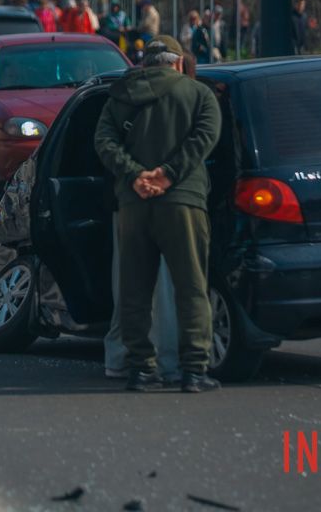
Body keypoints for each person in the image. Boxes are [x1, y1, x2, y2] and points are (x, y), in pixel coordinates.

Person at [94, 35, 221, 393]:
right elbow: (205, 137)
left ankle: (141, 369)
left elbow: (104, 142)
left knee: (134, 289)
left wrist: (135, 175)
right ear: (178, 62)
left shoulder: (120, 95)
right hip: (184, 202)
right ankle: (193, 370)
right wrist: (168, 174)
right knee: (191, 287)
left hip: (134, 205)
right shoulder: (199, 94)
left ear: (144, 64)